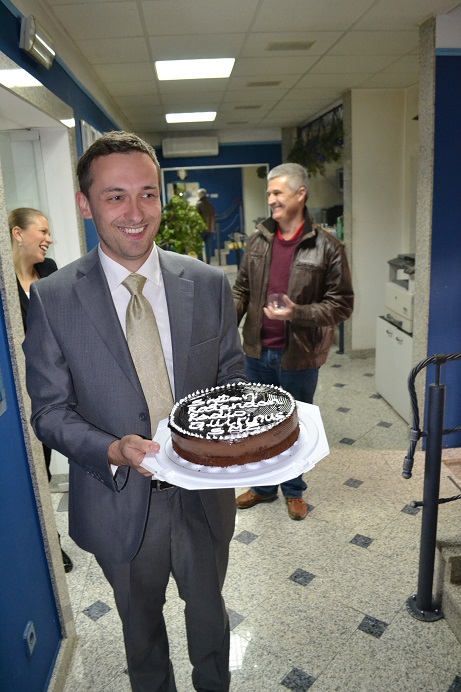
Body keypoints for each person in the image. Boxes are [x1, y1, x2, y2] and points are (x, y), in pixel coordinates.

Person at [23, 131, 246, 692]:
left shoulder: (207, 284)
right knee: (140, 634)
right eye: (115, 196)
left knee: (210, 619)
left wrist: (227, 439)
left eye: (147, 193)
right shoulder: (54, 299)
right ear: (85, 203)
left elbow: (231, 377)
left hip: (201, 494)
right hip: (118, 500)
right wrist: (112, 448)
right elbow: (49, 411)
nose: (135, 212)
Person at [233, 162, 354, 520]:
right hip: (257, 351)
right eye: (269, 193)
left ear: (301, 194)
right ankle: (264, 487)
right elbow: (242, 290)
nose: (271, 199)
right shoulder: (258, 240)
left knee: (293, 426)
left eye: (277, 192)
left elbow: (341, 305)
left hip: (298, 355)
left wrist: (296, 313)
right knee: (261, 424)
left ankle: (294, 490)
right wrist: (223, 328)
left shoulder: (328, 247)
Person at [9, 207, 73, 573]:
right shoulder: (4, 282)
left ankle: (51, 539)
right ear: (18, 233)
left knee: (44, 469)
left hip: (52, 388)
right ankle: (45, 544)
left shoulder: (49, 271)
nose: (49, 239)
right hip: (18, 392)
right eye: (43, 232)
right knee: (27, 475)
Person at [196, 188, 215, 263]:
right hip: (210, 229)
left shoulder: (198, 204)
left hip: (201, 229)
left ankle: (201, 263)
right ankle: (208, 263)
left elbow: (196, 217)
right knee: (208, 248)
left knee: (199, 247)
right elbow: (213, 216)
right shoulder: (210, 205)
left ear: (200, 195)